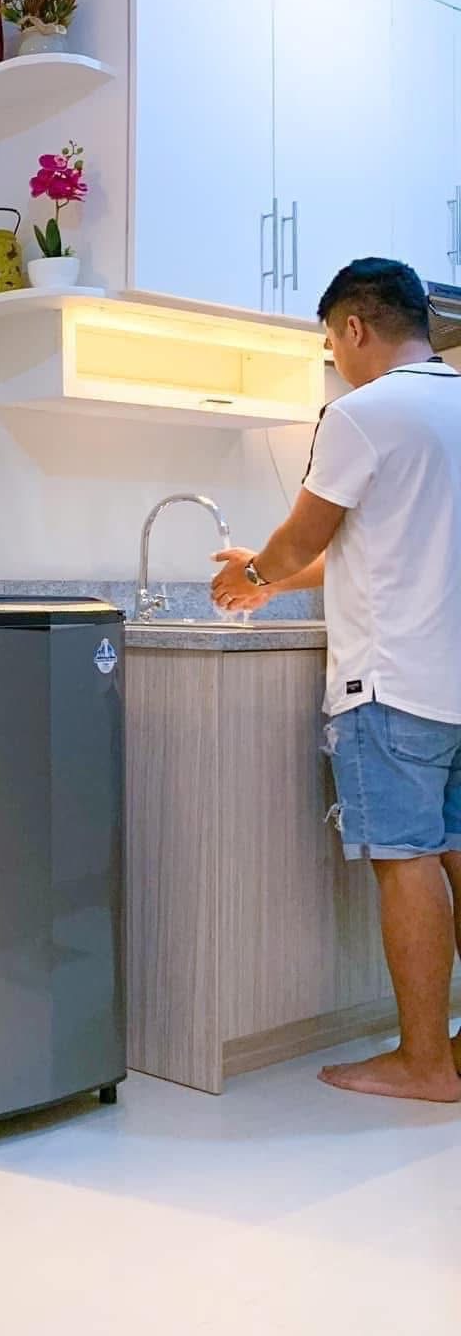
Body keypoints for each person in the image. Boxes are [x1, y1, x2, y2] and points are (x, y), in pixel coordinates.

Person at [212, 258, 461, 1102]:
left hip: (393, 684)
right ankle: (451, 1048)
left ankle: (424, 1063)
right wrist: (273, 579)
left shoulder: (364, 412)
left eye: (331, 342)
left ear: (353, 327)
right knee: (457, 854)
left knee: (405, 862)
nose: (335, 359)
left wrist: (255, 572)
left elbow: (304, 534)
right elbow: (378, 546)